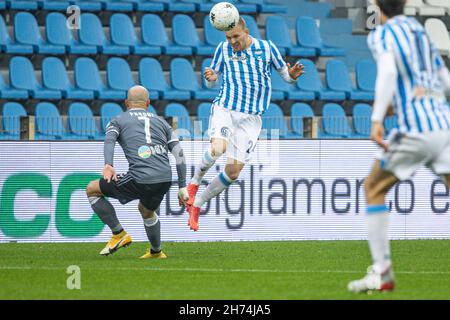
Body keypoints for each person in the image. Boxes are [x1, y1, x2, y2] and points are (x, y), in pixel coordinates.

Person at [348, 0, 450, 293]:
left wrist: (378, 118)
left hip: (416, 130)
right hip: (444, 124)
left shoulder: (381, 34)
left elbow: (389, 73)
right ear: (405, 4)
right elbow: (444, 79)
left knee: (373, 188)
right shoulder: (420, 32)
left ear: (377, 6)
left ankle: (383, 271)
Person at [184, 17, 305, 231]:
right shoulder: (223, 49)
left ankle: (198, 204)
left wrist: (292, 76)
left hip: (251, 118)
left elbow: (285, 76)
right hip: (226, 108)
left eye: (236, 36)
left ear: (246, 31)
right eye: (229, 37)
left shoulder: (267, 48)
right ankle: (193, 183)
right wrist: (210, 78)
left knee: (233, 172)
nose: (232, 41)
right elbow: (213, 77)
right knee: (218, 147)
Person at [85, 85, 189, 258]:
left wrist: (108, 164)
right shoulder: (162, 122)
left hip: (141, 178)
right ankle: (156, 252)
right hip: (164, 179)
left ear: (126, 103)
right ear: (148, 103)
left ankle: (118, 234)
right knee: (147, 210)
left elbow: (109, 140)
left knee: (92, 189)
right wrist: (183, 185)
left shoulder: (118, 120)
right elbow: (179, 153)